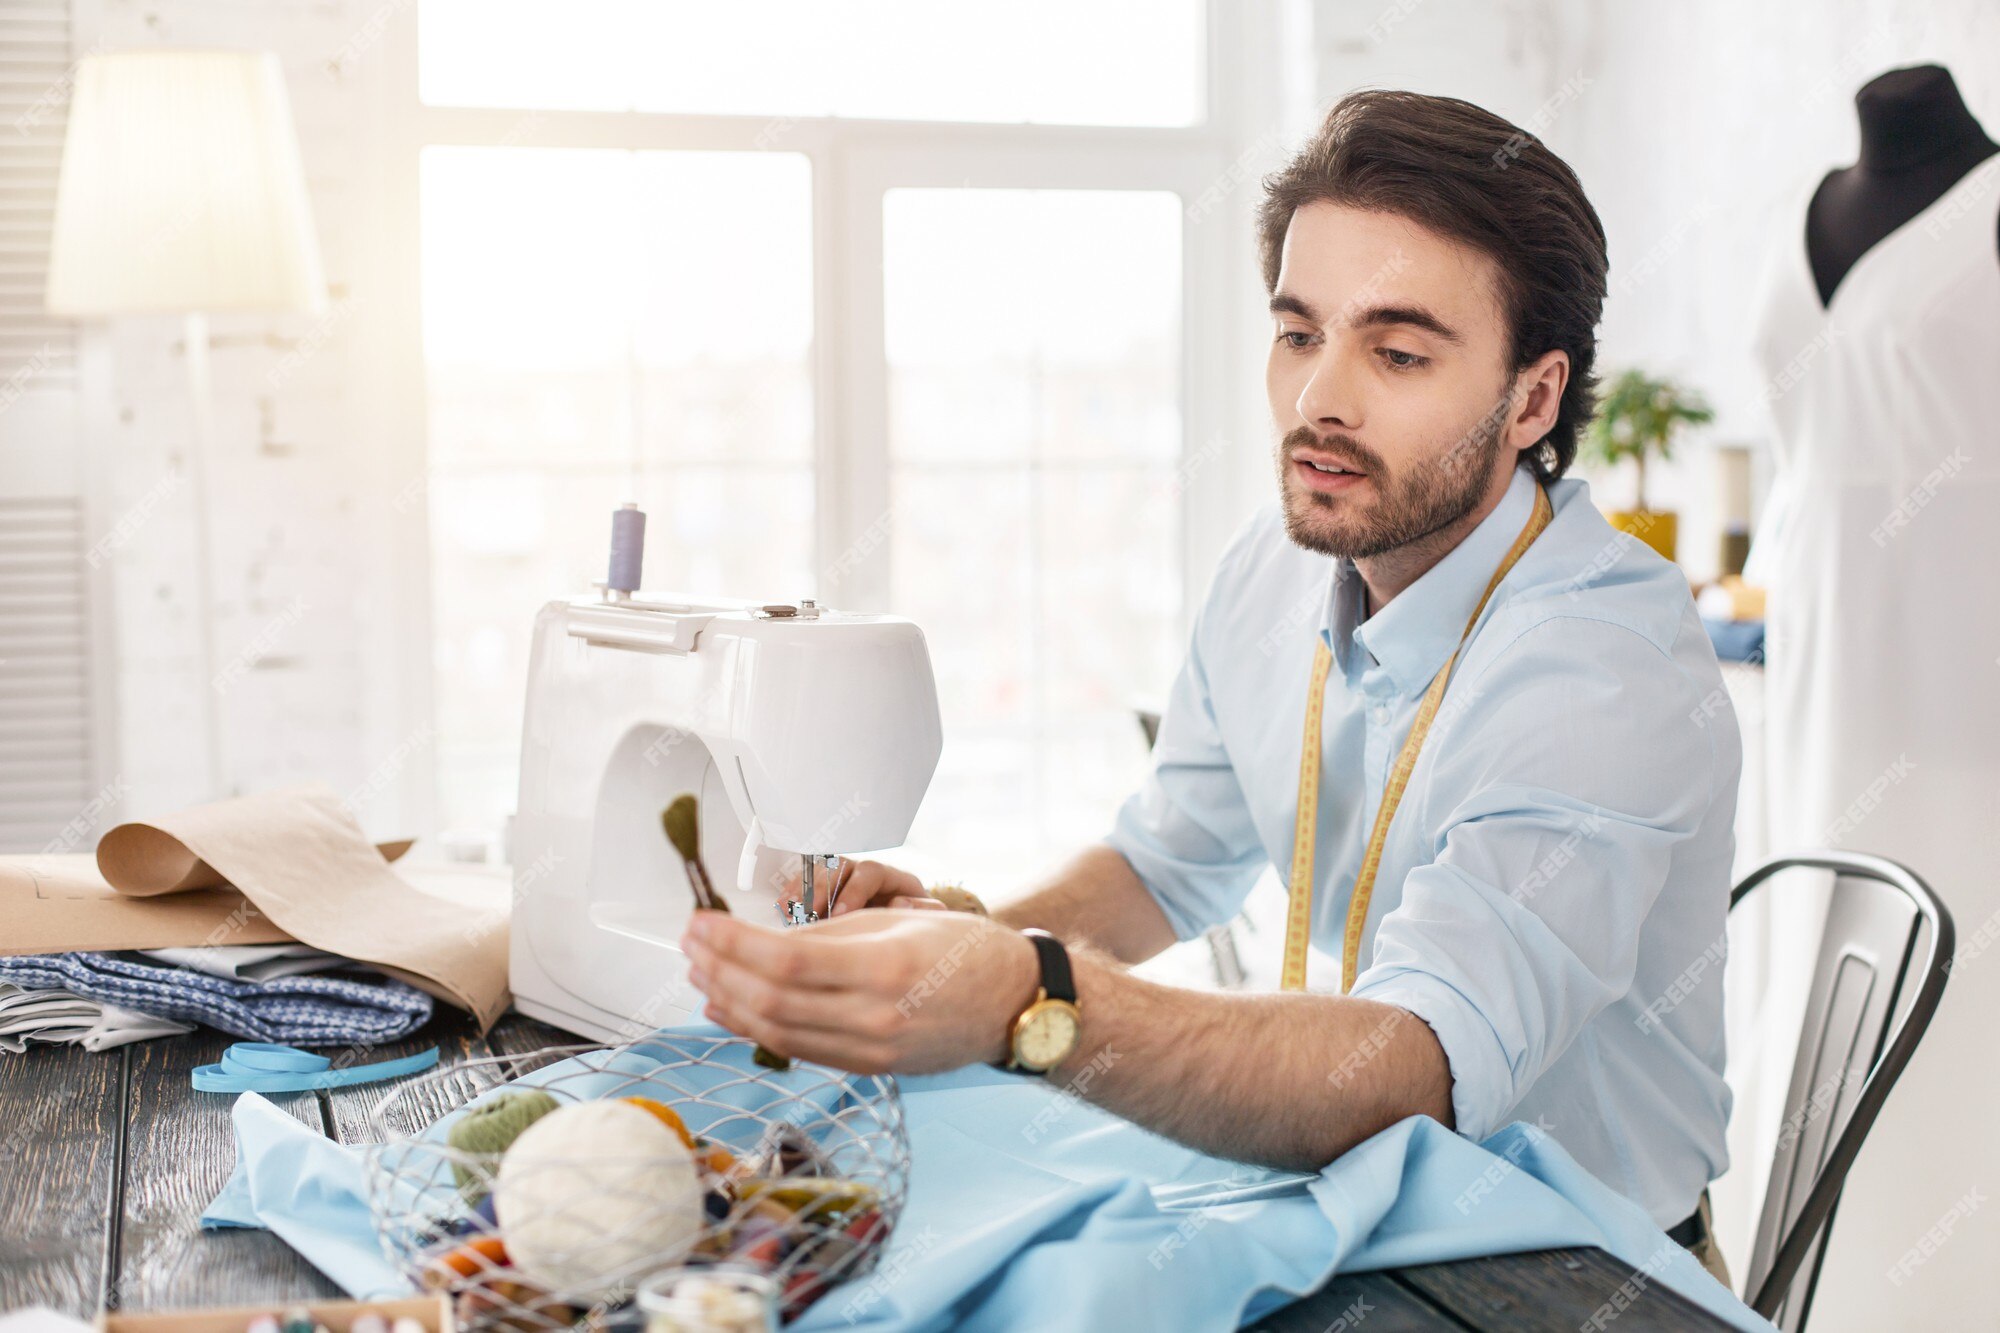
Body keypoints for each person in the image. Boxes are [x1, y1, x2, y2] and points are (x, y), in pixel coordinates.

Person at [680, 88, 1739, 1285]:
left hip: (1571, 1269)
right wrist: (959, 937)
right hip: (1371, 1214)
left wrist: (1030, 1001)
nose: (1315, 402)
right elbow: (1160, 865)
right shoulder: (1273, 574)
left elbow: (1408, 1063)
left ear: (1531, 400)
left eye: (1394, 353)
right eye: (1297, 334)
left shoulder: (1607, 666)